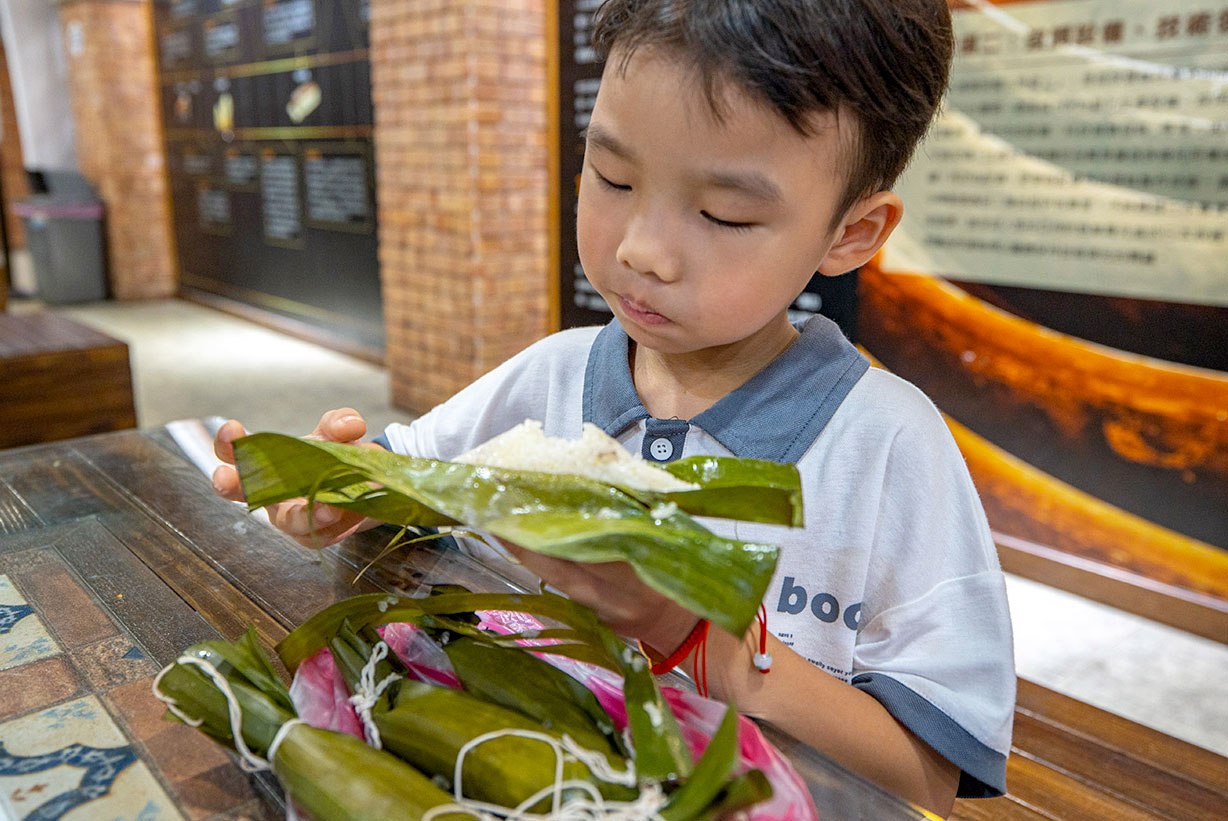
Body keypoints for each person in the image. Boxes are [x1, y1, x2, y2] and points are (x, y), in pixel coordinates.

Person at [212, 1, 1014, 814]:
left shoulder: (888, 445)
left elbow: (931, 774)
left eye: (724, 214)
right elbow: (401, 469)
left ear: (851, 232)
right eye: (613, 176)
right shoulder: (553, 376)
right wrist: (332, 490)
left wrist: (706, 646)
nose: (640, 250)